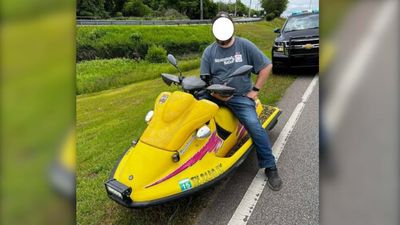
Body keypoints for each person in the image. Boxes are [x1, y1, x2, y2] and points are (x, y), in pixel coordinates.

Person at [200, 12, 282, 191]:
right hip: (215, 94)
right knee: (191, 113)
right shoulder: (209, 51)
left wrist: (255, 91)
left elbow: (266, 66)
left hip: (239, 96)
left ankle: (270, 166)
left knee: (255, 127)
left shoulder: (244, 46)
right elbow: (205, 78)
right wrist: (212, 91)